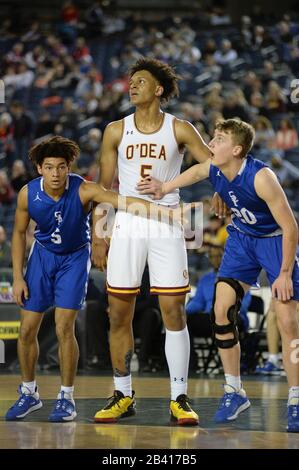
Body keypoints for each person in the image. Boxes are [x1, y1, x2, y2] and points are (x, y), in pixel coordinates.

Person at [137, 118, 299, 432]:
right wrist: (164, 187)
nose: (211, 143)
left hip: (275, 242)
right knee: (221, 310)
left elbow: (291, 227)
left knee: (288, 321)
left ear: (237, 149)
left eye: (220, 139)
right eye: (213, 136)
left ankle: (295, 398)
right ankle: (234, 391)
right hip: (241, 238)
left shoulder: (262, 177)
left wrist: (283, 273)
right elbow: (196, 171)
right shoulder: (215, 167)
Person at [5, 135, 171, 423]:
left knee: (63, 328)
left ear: (69, 167)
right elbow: (19, 234)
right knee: (26, 330)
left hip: (74, 259)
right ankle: (29, 393)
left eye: (61, 167)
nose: (56, 173)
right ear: (39, 169)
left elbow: (119, 200)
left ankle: (66, 397)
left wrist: (162, 210)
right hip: (42, 258)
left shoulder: (83, 189)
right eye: (49, 167)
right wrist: (18, 277)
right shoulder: (26, 194)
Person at [92, 57, 221, 426]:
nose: (132, 86)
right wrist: (99, 235)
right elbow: (103, 188)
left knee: (174, 312)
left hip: (167, 222)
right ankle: (122, 393)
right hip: (128, 222)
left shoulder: (179, 128)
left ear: (158, 89)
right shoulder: (115, 130)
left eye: (141, 81)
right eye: (131, 81)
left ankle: (179, 397)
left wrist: (222, 191)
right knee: (118, 313)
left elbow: (212, 164)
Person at [186, 244, 251, 370]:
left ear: (226, 256)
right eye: (212, 256)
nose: (215, 259)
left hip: (233, 317)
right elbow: (198, 302)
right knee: (184, 321)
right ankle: (191, 364)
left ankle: (233, 365)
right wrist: (183, 312)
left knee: (225, 318)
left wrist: (226, 309)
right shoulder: (205, 279)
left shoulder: (239, 276)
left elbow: (244, 304)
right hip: (210, 318)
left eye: (219, 256)